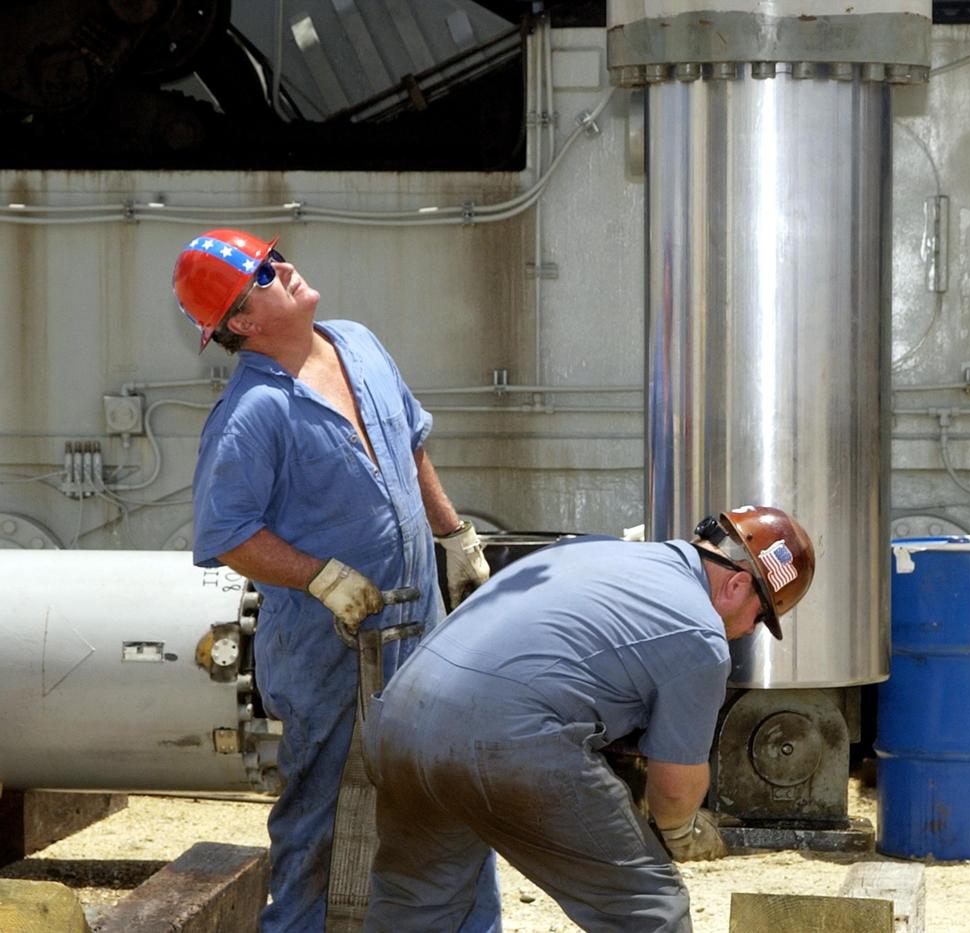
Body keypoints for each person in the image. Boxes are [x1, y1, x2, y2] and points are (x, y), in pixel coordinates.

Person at [172, 228, 500, 932]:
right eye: (262, 273)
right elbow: (226, 533)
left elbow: (409, 442)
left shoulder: (355, 342)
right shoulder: (252, 414)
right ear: (240, 323)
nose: (282, 268)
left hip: (424, 637)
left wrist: (453, 533)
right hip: (335, 655)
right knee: (325, 831)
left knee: (453, 803)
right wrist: (318, 577)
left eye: (273, 257)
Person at [361, 505, 816, 932]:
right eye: (759, 619)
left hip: (401, 721)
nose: (747, 632)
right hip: (506, 740)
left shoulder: (591, 549)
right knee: (649, 908)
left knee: (418, 905)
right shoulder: (700, 634)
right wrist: (684, 830)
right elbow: (673, 788)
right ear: (737, 586)